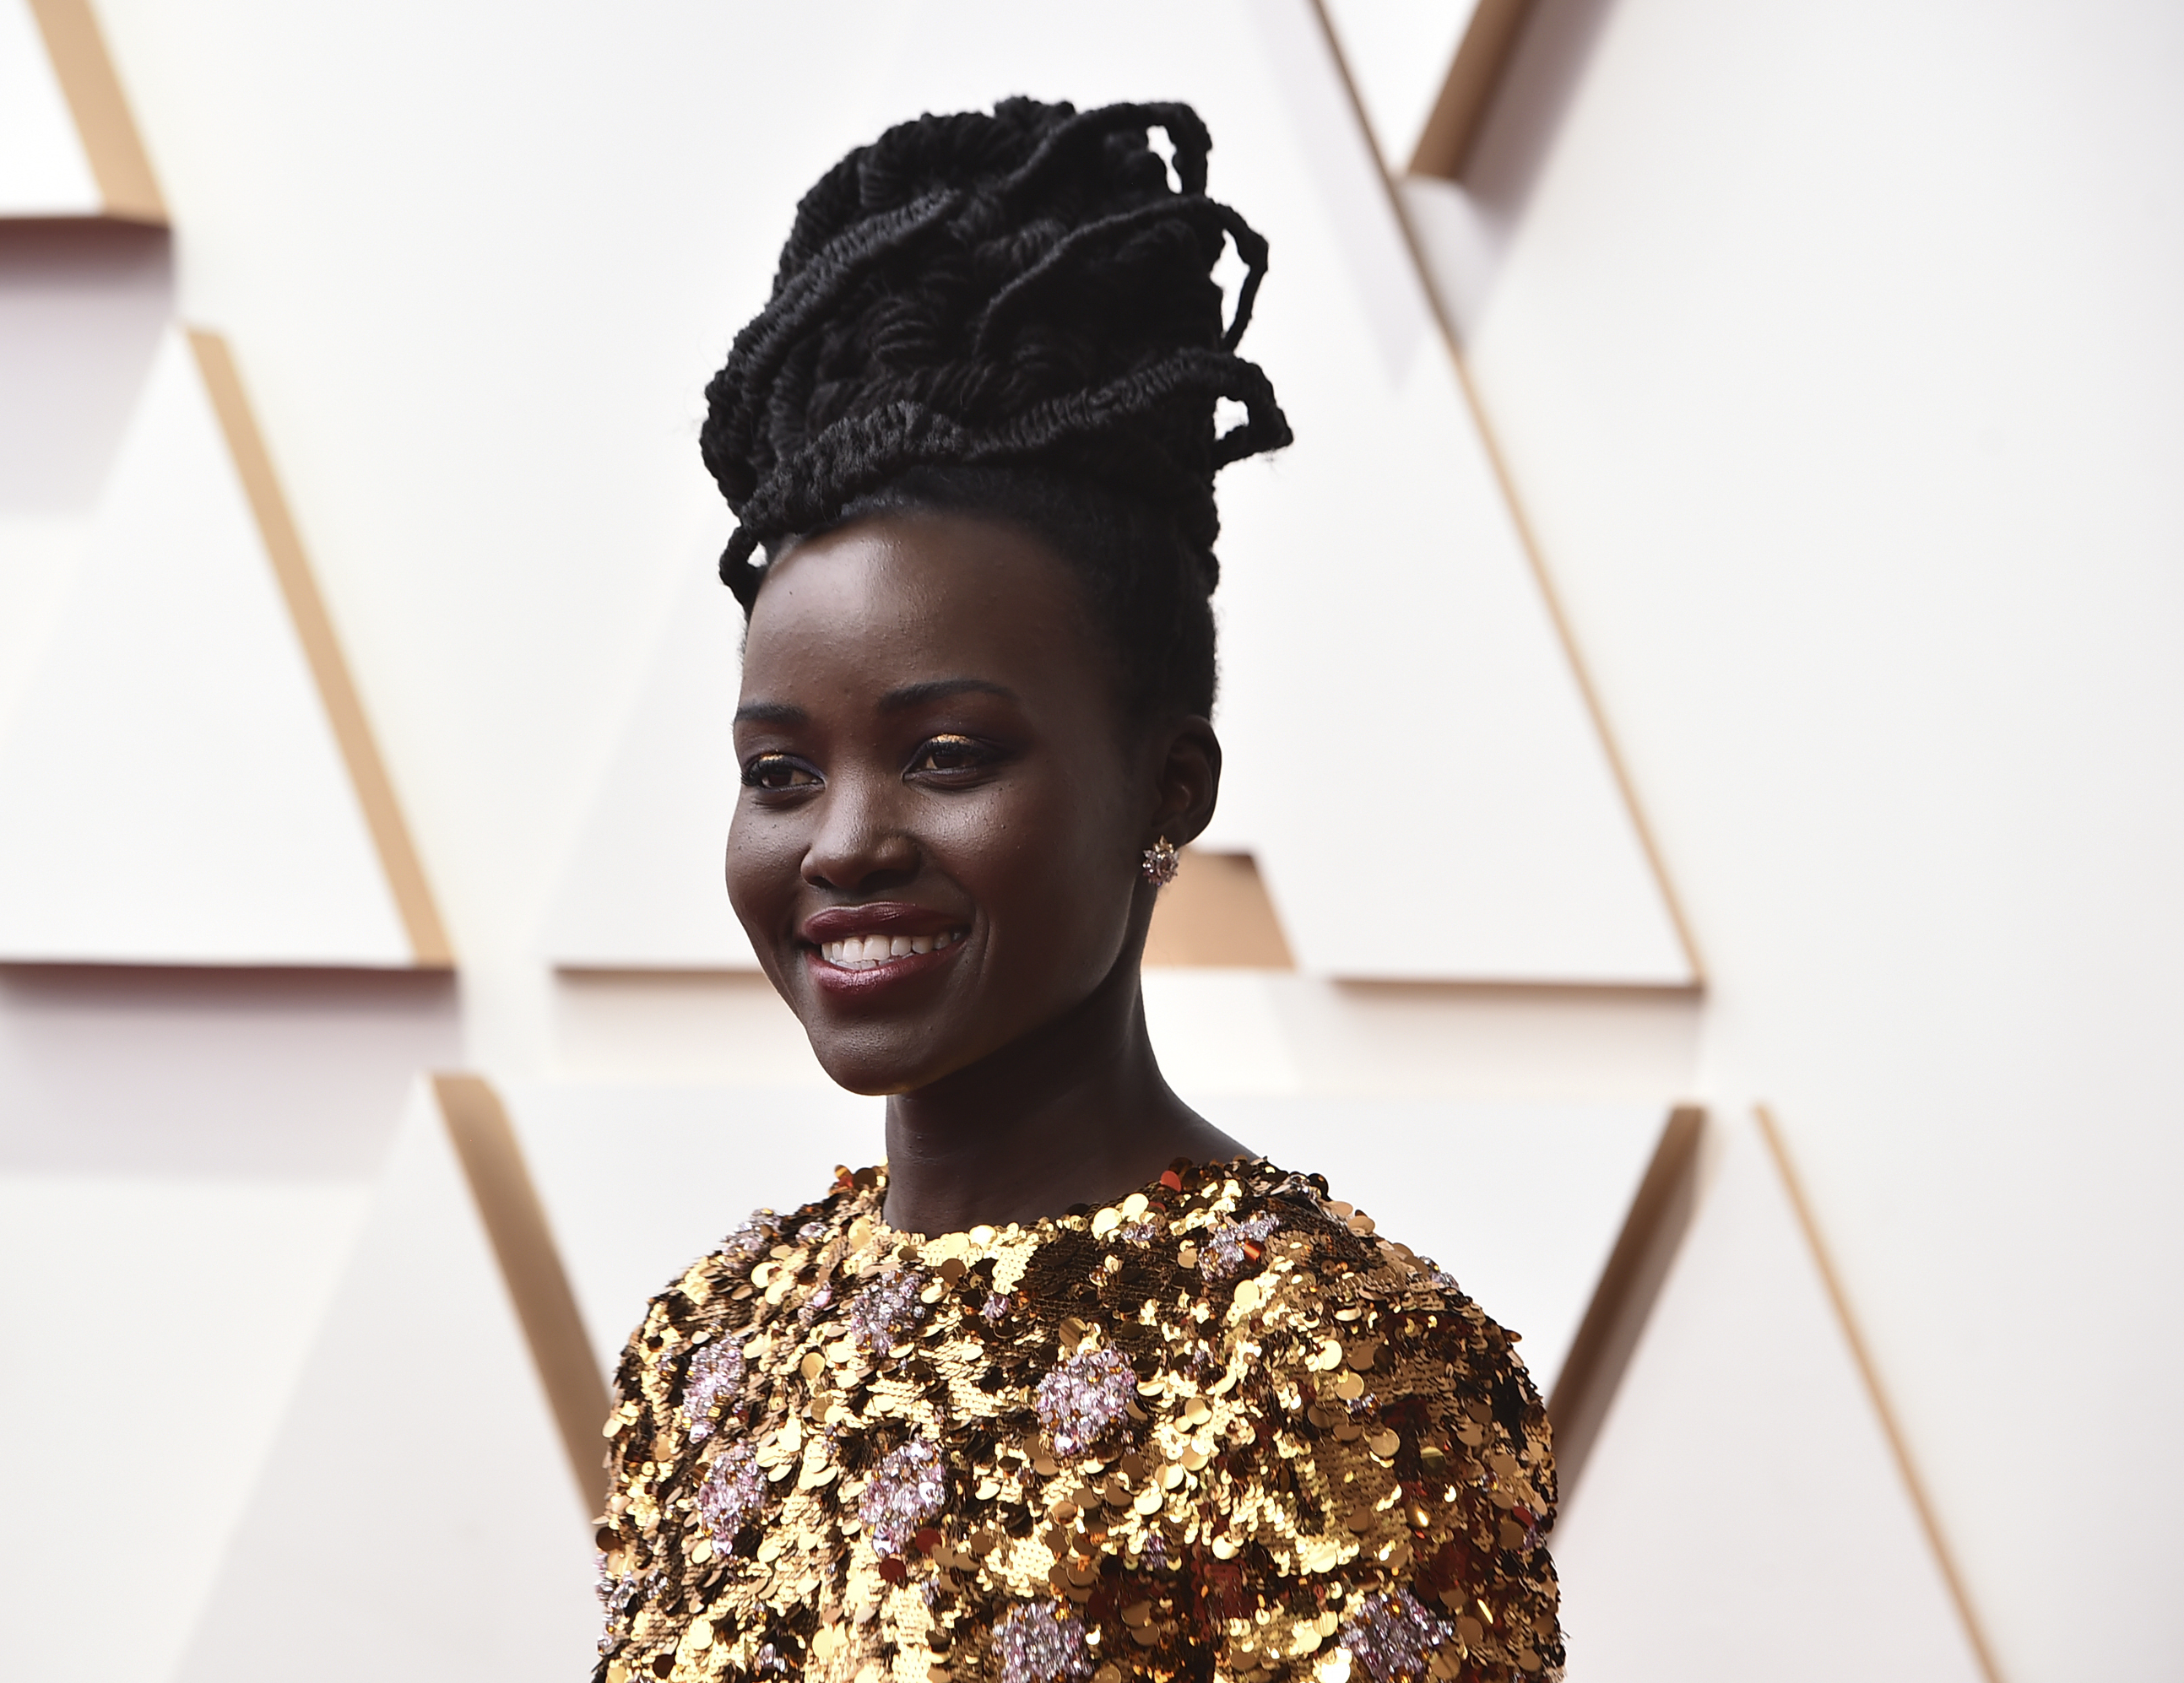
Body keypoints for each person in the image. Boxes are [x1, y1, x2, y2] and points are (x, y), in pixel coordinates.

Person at [593, 99, 1563, 1683]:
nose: (842, 842)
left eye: (948, 754)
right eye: (780, 771)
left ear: (1169, 787)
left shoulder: (1346, 1370)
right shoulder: (705, 1349)